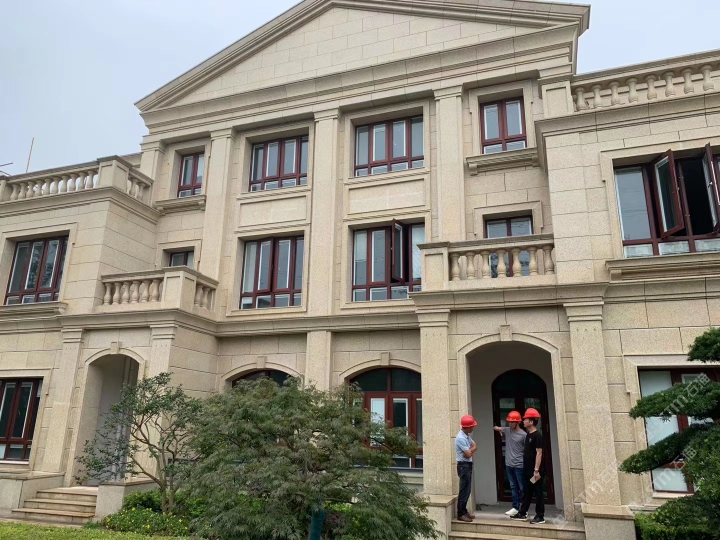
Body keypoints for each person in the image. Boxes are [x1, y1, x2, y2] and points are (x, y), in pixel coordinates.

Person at [510, 408, 545, 524]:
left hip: (535, 471)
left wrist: (536, 470)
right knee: (527, 491)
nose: (523, 421)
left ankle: (540, 516)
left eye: (525, 419)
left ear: (531, 422)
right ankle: (522, 513)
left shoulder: (537, 436)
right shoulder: (528, 434)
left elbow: (539, 453)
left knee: (538, 492)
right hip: (527, 469)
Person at [493, 410, 526, 516]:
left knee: (522, 487)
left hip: (519, 465)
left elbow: (527, 451)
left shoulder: (523, 435)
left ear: (517, 422)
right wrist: (498, 429)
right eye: (509, 422)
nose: (510, 424)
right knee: (513, 487)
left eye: (512, 422)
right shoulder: (507, 430)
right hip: (509, 464)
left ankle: (524, 509)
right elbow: (495, 427)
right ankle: (515, 507)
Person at [455, 414, 478, 522]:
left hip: (467, 465)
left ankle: (464, 511)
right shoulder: (460, 438)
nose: (473, 428)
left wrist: (469, 451)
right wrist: (469, 452)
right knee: (464, 490)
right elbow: (468, 454)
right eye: (472, 426)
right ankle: (460, 513)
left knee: (467, 490)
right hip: (463, 465)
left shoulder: (466, 436)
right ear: (468, 427)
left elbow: (475, 446)